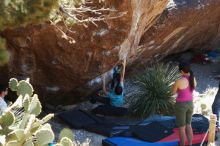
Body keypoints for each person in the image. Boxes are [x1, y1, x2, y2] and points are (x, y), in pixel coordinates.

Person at [172, 62, 197, 146]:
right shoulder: (193, 79)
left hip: (181, 105)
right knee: (189, 125)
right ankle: (190, 144)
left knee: (182, 128)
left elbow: (173, 93)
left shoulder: (179, 81)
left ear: (182, 71)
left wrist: (173, 85)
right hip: (190, 104)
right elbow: (192, 89)